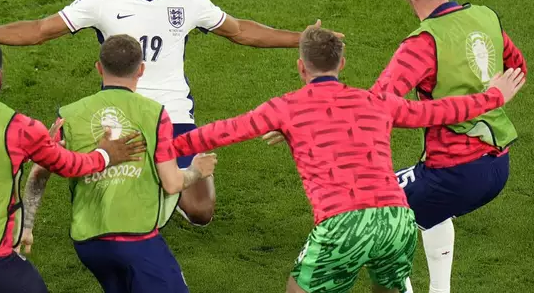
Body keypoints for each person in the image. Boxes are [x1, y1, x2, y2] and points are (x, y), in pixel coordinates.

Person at [0, 0, 319, 227]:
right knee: (116, 212)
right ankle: (138, 181)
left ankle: (156, 178)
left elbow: (241, 31)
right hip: (121, 117)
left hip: (173, 117)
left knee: (202, 213)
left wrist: (301, 39)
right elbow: (42, 29)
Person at [168, 29, 524, 293]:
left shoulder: (285, 108)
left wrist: (166, 147)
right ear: (343, 63)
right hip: (397, 219)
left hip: (343, 222)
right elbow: (439, 110)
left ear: (300, 67)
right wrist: (493, 96)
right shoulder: (377, 102)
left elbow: (220, 132)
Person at [0, 38, 145, 293]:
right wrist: (105, 154)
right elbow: (69, 165)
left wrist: (36, 145)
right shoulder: (19, 126)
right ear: (0, 76)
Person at [370, 0, 528, 293]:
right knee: (427, 205)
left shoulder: (424, 44)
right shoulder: (485, 16)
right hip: (497, 168)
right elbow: (518, 70)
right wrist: (486, 93)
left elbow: (376, 105)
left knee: (367, 206)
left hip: (454, 172)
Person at [20, 35, 218, 293]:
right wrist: (196, 170)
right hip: (136, 239)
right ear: (142, 70)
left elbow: (39, 170)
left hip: (89, 244)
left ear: (99, 68)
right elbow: (172, 183)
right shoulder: (154, 114)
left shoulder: (69, 115)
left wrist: (26, 225)